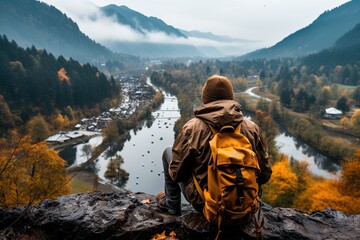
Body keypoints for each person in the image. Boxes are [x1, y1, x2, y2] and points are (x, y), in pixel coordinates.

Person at [156, 74, 272, 216]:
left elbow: (176, 173)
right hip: (245, 206)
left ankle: (172, 205)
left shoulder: (192, 128)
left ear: (205, 98)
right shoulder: (252, 128)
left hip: (207, 205)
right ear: (231, 97)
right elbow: (265, 174)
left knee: (168, 153)